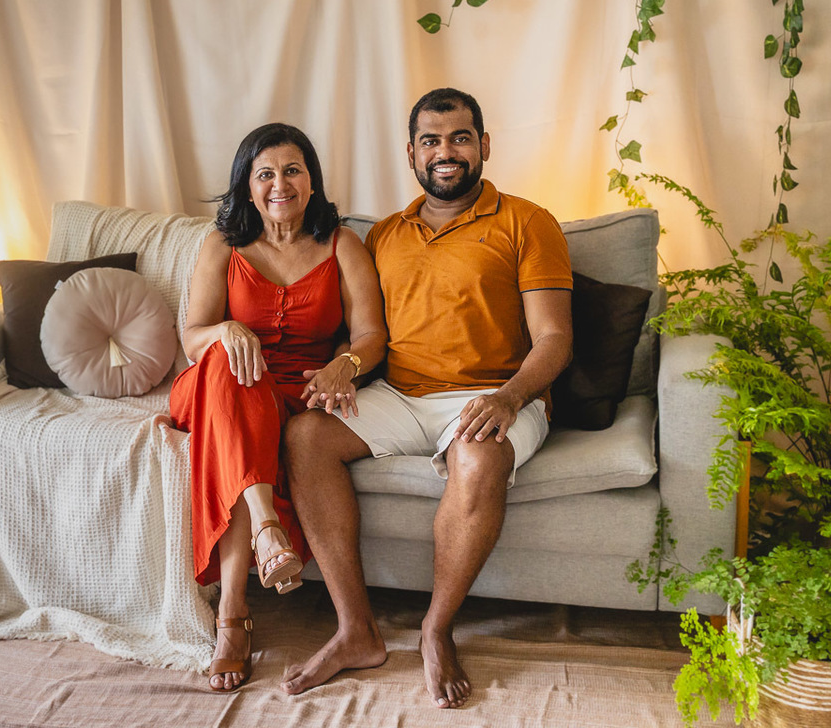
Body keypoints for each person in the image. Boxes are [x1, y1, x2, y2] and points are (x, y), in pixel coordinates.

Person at [279, 88, 573, 708]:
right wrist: (342, 367)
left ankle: (436, 629)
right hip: (401, 394)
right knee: (306, 435)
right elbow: (369, 336)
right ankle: (355, 630)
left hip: (496, 392)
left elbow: (554, 338)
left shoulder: (527, 221)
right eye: (431, 141)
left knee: (478, 453)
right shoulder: (384, 234)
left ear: (483, 146)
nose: (446, 152)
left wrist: (510, 398)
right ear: (411, 153)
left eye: (460, 138)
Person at [171, 123, 387, 693]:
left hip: (299, 391)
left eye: (292, 170)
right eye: (264, 174)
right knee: (227, 365)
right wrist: (225, 330)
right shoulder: (223, 245)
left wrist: (346, 364)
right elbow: (192, 339)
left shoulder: (342, 245)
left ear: (312, 181)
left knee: (249, 425)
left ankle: (235, 617)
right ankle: (264, 536)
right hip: (218, 387)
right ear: (247, 186)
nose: (279, 184)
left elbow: (371, 335)